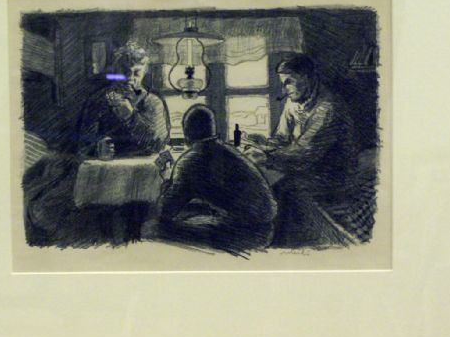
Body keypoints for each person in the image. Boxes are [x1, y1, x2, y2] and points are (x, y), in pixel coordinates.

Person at [246, 54, 370, 249]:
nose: (284, 89)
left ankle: (283, 245)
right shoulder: (292, 103)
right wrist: (262, 143)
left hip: (331, 177)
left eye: (289, 82)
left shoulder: (328, 109)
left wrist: (267, 156)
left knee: (283, 189)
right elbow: (282, 139)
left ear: (307, 78)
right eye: (283, 83)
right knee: (263, 183)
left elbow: (304, 154)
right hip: (305, 168)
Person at [155, 104, 277, 257]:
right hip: (266, 230)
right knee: (193, 215)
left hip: (240, 234)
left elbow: (164, 211)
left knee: (158, 227)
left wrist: (167, 177)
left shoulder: (189, 161)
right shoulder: (229, 151)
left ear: (186, 134)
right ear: (213, 130)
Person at [76, 43, 170, 158]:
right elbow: (82, 146)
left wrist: (130, 116)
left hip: (145, 166)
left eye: (136, 73)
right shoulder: (98, 100)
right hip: (107, 166)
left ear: (145, 72)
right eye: (125, 71)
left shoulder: (153, 102)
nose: (129, 77)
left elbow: (159, 144)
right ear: (115, 70)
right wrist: (96, 148)